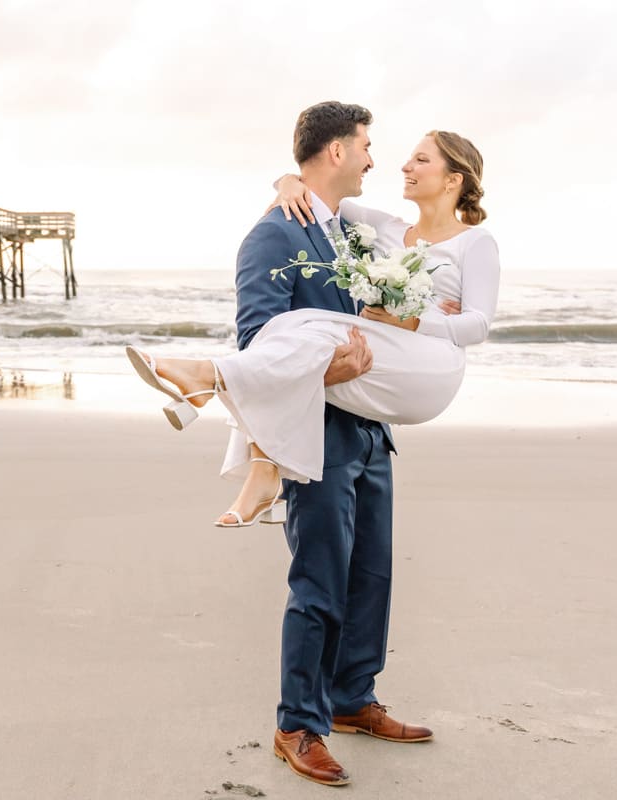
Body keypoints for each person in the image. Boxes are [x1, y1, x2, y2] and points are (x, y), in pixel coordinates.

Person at [125, 103, 499, 787]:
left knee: (372, 577)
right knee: (319, 580)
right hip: (318, 430)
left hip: (369, 429)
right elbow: (263, 340)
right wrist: (329, 371)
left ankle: (354, 698)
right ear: (335, 152)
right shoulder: (274, 237)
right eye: (365, 145)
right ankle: (298, 723)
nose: (375, 159)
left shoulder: (350, 234)